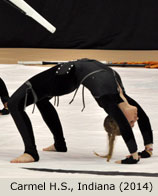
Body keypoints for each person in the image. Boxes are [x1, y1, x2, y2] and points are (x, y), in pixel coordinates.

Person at [8, 58, 153, 164]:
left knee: (14, 104)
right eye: (133, 122)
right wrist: (148, 149)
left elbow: (124, 124)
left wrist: (134, 156)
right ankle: (59, 144)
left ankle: (30, 152)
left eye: (131, 122)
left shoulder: (108, 100)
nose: (136, 119)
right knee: (40, 99)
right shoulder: (123, 98)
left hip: (62, 78)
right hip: (68, 76)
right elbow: (144, 117)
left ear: (118, 117)